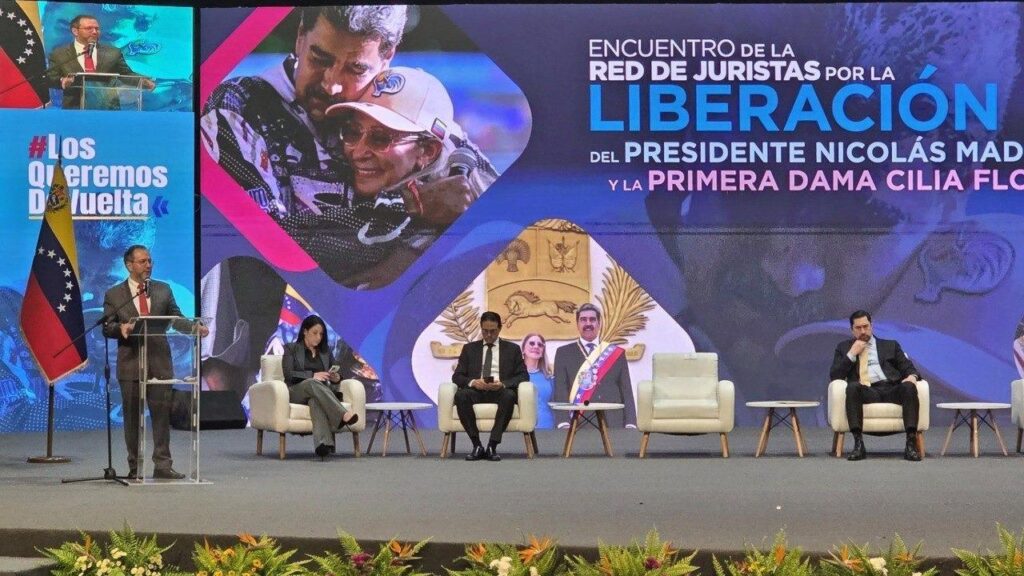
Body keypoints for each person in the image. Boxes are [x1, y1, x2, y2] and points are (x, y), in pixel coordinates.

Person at [201, 6, 493, 285]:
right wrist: (411, 206)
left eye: (355, 69)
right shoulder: (237, 108)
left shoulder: (400, 106)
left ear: (387, 56)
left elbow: (489, 197)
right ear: (301, 35)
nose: (331, 85)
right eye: (320, 59)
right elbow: (263, 243)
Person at [281, 66, 497, 287]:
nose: (358, 151)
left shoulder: (479, 221)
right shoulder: (355, 182)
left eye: (380, 138)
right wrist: (410, 202)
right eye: (352, 132)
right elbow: (277, 244)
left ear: (428, 150)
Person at [102, 245, 207, 479]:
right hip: (130, 363)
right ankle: (135, 467)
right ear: (129, 265)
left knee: (160, 414)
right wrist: (122, 328)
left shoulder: (163, 290)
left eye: (150, 261)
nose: (148, 265)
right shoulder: (114, 295)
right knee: (131, 417)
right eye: (143, 261)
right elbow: (107, 327)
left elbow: (175, 318)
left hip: (159, 362)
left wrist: (194, 327)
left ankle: (163, 465)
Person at [830, 310, 921, 462]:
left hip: (891, 388)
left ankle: (911, 444)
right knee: (852, 387)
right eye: (858, 328)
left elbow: (909, 368)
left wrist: (912, 377)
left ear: (872, 326)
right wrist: (852, 354)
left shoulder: (890, 345)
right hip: (866, 391)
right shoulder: (843, 348)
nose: (863, 331)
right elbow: (835, 376)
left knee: (909, 387)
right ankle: (858, 444)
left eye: (866, 326)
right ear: (852, 330)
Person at [451, 311, 529, 461]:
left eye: (492, 331)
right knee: (460, 395)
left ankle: (492, 445)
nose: (488, 335)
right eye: (485, 331)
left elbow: (523, 375)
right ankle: (477, 445)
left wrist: (503, 384)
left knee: (509, 395)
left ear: (499, 329)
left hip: (499, 391)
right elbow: (457, 376)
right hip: (476, 390)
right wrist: (474, 382)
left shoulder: (512, 349)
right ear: (481, 329)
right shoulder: (469, 349)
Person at [281, 314, 358, 458]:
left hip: (318, 393)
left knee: (315, 401)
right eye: (314, 333)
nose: (318, 337)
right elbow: (289, 374)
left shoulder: (325, 352)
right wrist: (312, 376)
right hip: (296, 391)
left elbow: (336, 371)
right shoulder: (291, 348)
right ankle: (342, 414)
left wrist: (336, 377)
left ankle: (323, 445)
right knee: (312, 383)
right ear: (305, 331)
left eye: (321, 334)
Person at [553, 303, 636, 429]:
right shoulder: (563, 353)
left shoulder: (616, 353)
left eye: (592, 319)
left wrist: (631, 422)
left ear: (599, 323)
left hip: (613, 420)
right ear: (577, 324)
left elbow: (626, 390)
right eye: (583, 320)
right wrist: (563, 422)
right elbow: (560, 390)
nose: (588, 324)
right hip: (578, 421)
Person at [46, 14, 154, 109]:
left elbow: (126, 74)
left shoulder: (113, 53)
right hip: (74, 110)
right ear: (75, 31)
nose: (94, 32)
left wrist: (142, 81)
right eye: (89, 28)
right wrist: (62, 81)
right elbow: (51, 77)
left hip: (107, 108)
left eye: (97, 29)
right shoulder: (59, 54)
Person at [521, 333, 555, 429]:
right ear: (523, 349)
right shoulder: (513, 376)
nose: (536, 346)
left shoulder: (550, 378)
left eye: (540, 345)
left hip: (547, 427)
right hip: (521, 428)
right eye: (531, 343)